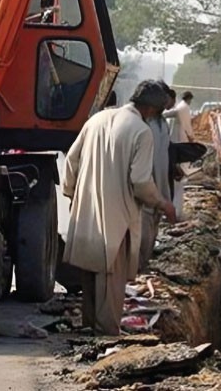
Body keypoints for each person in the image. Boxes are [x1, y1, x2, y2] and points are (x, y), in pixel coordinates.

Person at [62, 80, 177, 335]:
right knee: (110, 280)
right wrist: (162, 203)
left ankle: (90, 325)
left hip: (87, 209)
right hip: (119, 215)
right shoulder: (141, 132)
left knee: (90, 273)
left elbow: (71, 159)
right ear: (152, 110)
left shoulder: (98, 119)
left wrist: (71, 193)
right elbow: (140, 183)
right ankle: (105, 334)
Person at [138, 82, 174, 272]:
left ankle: (142, 269)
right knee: (141, 240)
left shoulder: (162, 124)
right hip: (145, 193)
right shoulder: (143, 126)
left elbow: (164, 156)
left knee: (150, 238)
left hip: (159, 190)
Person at [164, 90, 195, 220]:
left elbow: (167, 114)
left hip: (175, 144)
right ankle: (176, 212)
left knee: (175, 180)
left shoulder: (179, 108)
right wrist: (192, 137)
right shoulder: (184, 108)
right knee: (178, 180)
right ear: (190, 99)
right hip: (179, 144)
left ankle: (173, 210)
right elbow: (187, 126)